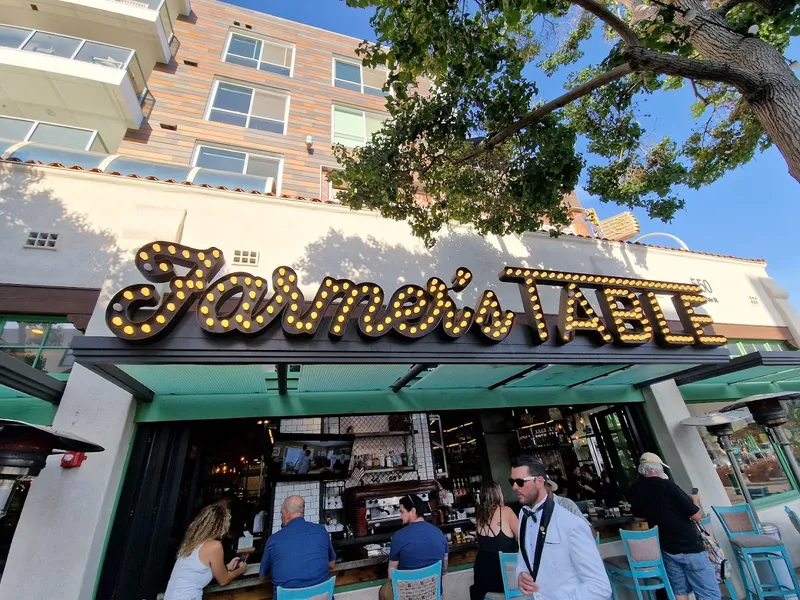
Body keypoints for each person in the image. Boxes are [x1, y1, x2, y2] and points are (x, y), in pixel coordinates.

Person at [511, 455, 611, 600]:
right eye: (512, 482)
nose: (514, 487)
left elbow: (600, 586)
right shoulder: (523, 515)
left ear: (539, 481)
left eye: (520, 482)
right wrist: (521, 572)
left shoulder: (571, 524)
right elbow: (524, 552)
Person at [628, 453, 721, 600]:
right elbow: (696, 515)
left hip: (666, 548)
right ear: (657, 469)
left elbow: (639, 517)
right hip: (689, 546)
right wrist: (695, 500)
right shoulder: (668, 486)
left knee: (680, 592)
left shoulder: (635, 488)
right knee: (708, 592)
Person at [164, 504, 248, 600]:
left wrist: (226, 568)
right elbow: (223, 580)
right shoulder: (214, 546)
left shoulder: (191, 542)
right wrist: (241, 569)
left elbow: (195, 573)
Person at [259, 495, 336, 594]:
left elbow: (262, 577)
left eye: (281, 513)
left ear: (287, 513)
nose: (281, 516)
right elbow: (331, 564)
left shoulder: (274, 540)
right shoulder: (321, 531)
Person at [378, 494, 448, 600]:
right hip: (433, 595)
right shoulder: (439, 534)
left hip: (405, 596)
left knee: (384, 590)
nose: (400, 516)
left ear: (413, 511)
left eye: (402, 512)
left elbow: (391, 576)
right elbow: (444, 570)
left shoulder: (398, 537)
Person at [470, 481, 519, 600]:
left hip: (483, 579)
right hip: (505, 578)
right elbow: (523, 539)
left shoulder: (479, 515)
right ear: (499, 494)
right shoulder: (506, 511)